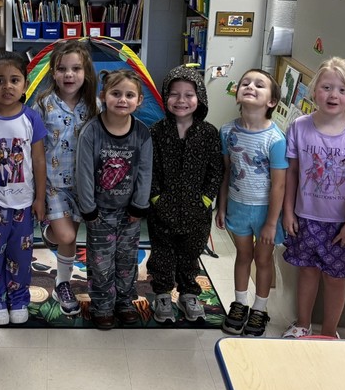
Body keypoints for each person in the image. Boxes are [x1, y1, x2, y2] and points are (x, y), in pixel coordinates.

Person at [282, 57, 345, 339]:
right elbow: (292, 173)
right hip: (305, 218)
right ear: (314, 91)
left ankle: (329, 332)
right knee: (307, 274)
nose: (333, 95)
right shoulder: (299, 127)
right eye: (326, 87)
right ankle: (302, 324)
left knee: (336, 279)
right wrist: (288, 212)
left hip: (340, 225)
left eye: (342, 90)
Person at [0, 51, 46, 326]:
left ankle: (18, 298)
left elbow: (38, 159)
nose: (7, 87)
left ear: (25, 84)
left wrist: (40, 198)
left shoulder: (31, 118)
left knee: (21, 254)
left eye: (15, 80)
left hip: (23, 203)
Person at [76, 69, 153, 329]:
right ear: (103, 96)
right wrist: (89, 210)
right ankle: (102, 305)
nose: (122, 99)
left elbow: (145, 171)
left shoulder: (142, 133)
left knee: (126, 261)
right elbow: (84, 172)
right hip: (99, 213)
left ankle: (123, 302)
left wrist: (140, 205)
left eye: (129, 95)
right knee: (100, 263)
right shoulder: (91, 132)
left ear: (139, 100)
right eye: (116, 93)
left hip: (129, 213)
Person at [146, 65, 222, 323]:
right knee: (162, 253)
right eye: (174, 94)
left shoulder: (209, 133)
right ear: (165, 96)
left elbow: (215, 170)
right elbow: (150, 168)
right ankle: (163, 293)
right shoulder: (156, 131)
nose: (181, 101)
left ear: (199, 97)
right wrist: (156, 197)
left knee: (190, 254)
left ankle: (189, 293)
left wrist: (206, 199)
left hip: (197, 211)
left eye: (188, 94)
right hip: (162, 208)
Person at [30, 39, 98, 315]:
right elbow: (34, 147)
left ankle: (62, 284)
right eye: (62, 69)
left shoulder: (94, 105)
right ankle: (49, 231)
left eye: (76, 69)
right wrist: (38, 191)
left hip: (84, 185)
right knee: (65, 234)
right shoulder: (43, 104)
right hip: (53, 185)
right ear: (53, 72)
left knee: (73, 236)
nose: (69, 75)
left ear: (86, 73)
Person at [217, 68, 287, 337]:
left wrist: (271, 222)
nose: (250, 87)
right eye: (246, 83)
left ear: (271, 101)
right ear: (237, 94)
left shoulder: (276, 139)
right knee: (243, 256)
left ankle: (260, 307)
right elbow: (227, 172)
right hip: (237, 205)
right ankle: (240, 303)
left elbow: (279, 184)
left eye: (260, 85)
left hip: (265, 212)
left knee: (263, 259)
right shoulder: (227, 132)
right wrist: (221, 206)